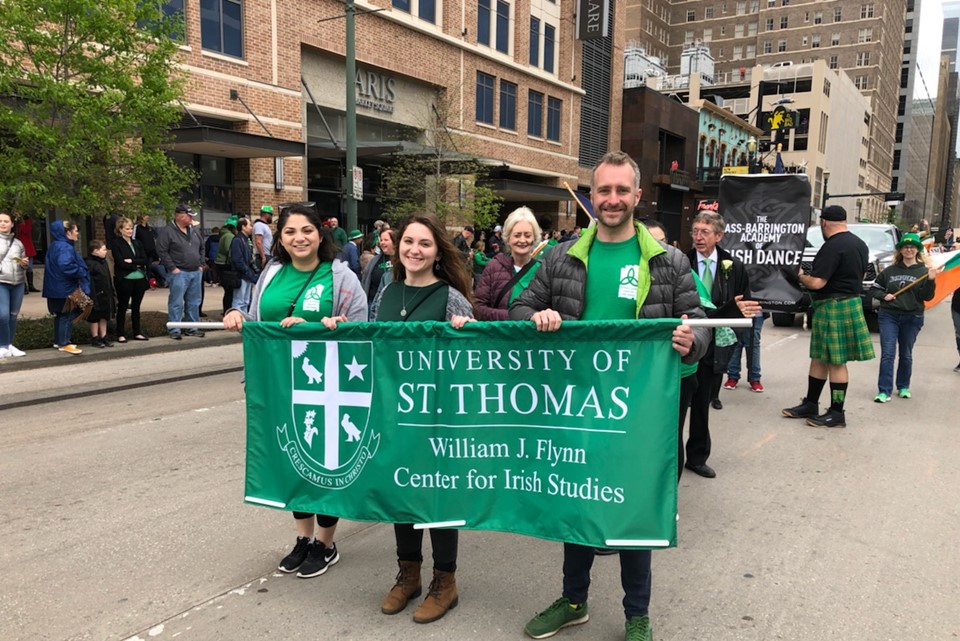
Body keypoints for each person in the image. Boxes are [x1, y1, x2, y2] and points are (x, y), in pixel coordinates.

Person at [510, 151, 709, 641]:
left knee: (632, 509)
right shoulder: (560, 256)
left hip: (638, 413)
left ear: (637, 197)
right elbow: (519, 306)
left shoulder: (668, 261)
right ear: (591, 196)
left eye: (622, 191)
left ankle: (636, 613)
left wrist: (691, 343)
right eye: (604, 191)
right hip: (574, 406)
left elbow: (698, 322)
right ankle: (573, 599)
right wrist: (537, 319)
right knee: (575, 503)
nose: (613, 199)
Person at [223, 204, 368, 580]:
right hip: (277, 385)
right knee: (290, 459)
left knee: (325, 464)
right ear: (280, 238)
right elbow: (257, 320)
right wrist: (238, 315)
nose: (299, 238)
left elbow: (363, 330)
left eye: (306, 230)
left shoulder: (341, 277)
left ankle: (325, 541)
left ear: (320, 235)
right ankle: (303, 538)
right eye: (289, 232)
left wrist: (322, 325)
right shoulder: (271, 274)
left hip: (327, 387)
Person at [370, 212, 474, 625]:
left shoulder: (450, 297)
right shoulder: (386, 292)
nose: (415, 249)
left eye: (425, 244)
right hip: (394, 414)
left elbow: (476, 360)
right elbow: (368, 344)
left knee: (436, 496)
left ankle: (444, 581)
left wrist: (467, 333)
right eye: (409, 241)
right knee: (401, 494)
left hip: (437, 417)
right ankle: (408, 573)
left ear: (437, 252)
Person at [783, 206, 875, 428]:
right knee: (820, 357)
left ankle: (836, 412)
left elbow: (817, 282)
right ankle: (811, 403)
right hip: (845, 303)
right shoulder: (860, 244)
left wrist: (800, 275)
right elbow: (862, 274)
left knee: (836, 361)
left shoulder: (832, 246)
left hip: (835, 306)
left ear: (824, 222)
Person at [869, 233, 938, 402]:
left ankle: (903, 386)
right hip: (889, 315)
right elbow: (874, 289)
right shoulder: (890, 271)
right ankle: (884, 390)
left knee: (906, 353)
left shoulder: (923, 271)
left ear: (918, 250)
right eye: (905, 247)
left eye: (912, 247)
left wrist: (930, 281)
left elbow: (927, 297)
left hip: (912, 316)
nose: (909, 249)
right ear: (900, 250)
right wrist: (883, 296)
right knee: (888, 353)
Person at [475, 207, 542, 320]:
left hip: (533, 336)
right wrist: (514, 316)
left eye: (527, 235)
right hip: (501, 335)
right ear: (508, 238)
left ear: (534, 238)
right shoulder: (493, 267)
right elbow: (478, 308)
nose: (522, 240)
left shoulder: (543, 270)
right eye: (517, 235)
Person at [156, 204, 206, 340]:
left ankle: (192, 327)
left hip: (195, 271)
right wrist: (173, 268)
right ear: (181, 216)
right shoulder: (168, 231)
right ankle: (175, 329)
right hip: (179, 272)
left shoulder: (194, 230)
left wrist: (201, 264)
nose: (191, 218)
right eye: (189, 216)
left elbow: (202, 247)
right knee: (176, 302)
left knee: (194, 301)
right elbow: (161, 251)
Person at [42, 220, 90, 355]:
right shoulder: (65, 247)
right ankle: (65, 342)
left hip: (56, 287)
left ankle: (60, 341)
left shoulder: (55, 245)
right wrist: (81, 271)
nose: (77, 233)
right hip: (66, 287)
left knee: (62, 315)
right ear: (68, 232)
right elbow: (66, 265)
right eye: (75, 230)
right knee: (71, 313)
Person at [111, 217, 150, 343]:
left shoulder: (137, 243)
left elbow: (144, 260)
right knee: (123, 306)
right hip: (125, 279)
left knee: (136, 307)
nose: (130, 231)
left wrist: (133, 261)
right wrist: (136, 265)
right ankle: (120, 333)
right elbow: (120, 262)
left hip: (139, 278)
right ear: (120, 230)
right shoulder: (116, 243)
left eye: (131, 228)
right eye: (127, 228)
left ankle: (137, 332)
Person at [0, 210, 29, 358]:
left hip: (18, 282)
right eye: (0, 221)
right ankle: (2, 345)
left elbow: (24, 264)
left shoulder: (18, 243)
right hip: (1, 282)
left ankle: (9, 345)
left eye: (6, 221)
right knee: (3, 315)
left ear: (12, 224)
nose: (3, 224)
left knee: (12, 315)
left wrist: (24, 263)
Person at [724, 311, 765, 393]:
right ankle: (732, 376)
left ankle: (755, 378)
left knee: (753, 345)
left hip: (756, 314)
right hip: (736, 313)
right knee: (735, 343)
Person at [85, 240, 115, 348]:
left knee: (104, 315)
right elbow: (89, 281)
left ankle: (104, 335)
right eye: (103, 249)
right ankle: (95, 337)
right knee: (94, 316)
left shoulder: (104, 262)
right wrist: (92, 295)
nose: (106, 251)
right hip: (95, 293)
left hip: (105, 293)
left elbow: (107, 278)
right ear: (95, 251)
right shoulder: (90, 263)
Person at [230, 218, 259, 314]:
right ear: (243, 227)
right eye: (250, 225)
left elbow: (249, 258)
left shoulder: (246, 240)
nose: (252, 228)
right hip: (241, 275)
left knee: (246, 301)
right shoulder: (237, 240)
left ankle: (243, 321)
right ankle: (237, 320)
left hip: (247, 275)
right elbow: (237, 260)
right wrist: (248, 272)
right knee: (239, 301)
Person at [361, 228, 396, 304]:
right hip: (373, 302)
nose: (382, 242)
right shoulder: (373, 261)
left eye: (386, 240)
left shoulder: (403, 260)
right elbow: (365, 281)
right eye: (381, 240)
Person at [134, 215, 166, 288]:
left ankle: (148, 283)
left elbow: (154, 239)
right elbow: (134, 239)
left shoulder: (149, 228)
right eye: (145, 215)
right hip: (142, 251)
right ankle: (141, 283)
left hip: (150, 251)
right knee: (142, 267)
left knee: (149, 267)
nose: (147, 217)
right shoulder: (137, 227)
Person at [215, 217, 238, 313]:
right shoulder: (229, 236)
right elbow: (230, 251)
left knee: (228, 291)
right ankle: (227, 311)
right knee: (230, 291)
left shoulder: (224, 235)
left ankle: (226, 310)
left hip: (220, 264)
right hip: (226, 265)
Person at [14, 214, 38, 294]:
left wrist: (20, 224)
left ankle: (30, 286)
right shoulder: (15, 222)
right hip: (19, 246)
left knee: (29, 268)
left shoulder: (27, 222)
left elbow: (26, 230)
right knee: (20, 268)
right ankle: (24, 286)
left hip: (27, 247)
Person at [253, 205, 274, 270]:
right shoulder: (259, 225)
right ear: (266, 214)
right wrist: (263, 257)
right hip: (263, 256)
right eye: (271, 215)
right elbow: (258, 241)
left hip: (267, 255)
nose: (271, 217)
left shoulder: (264, 225)